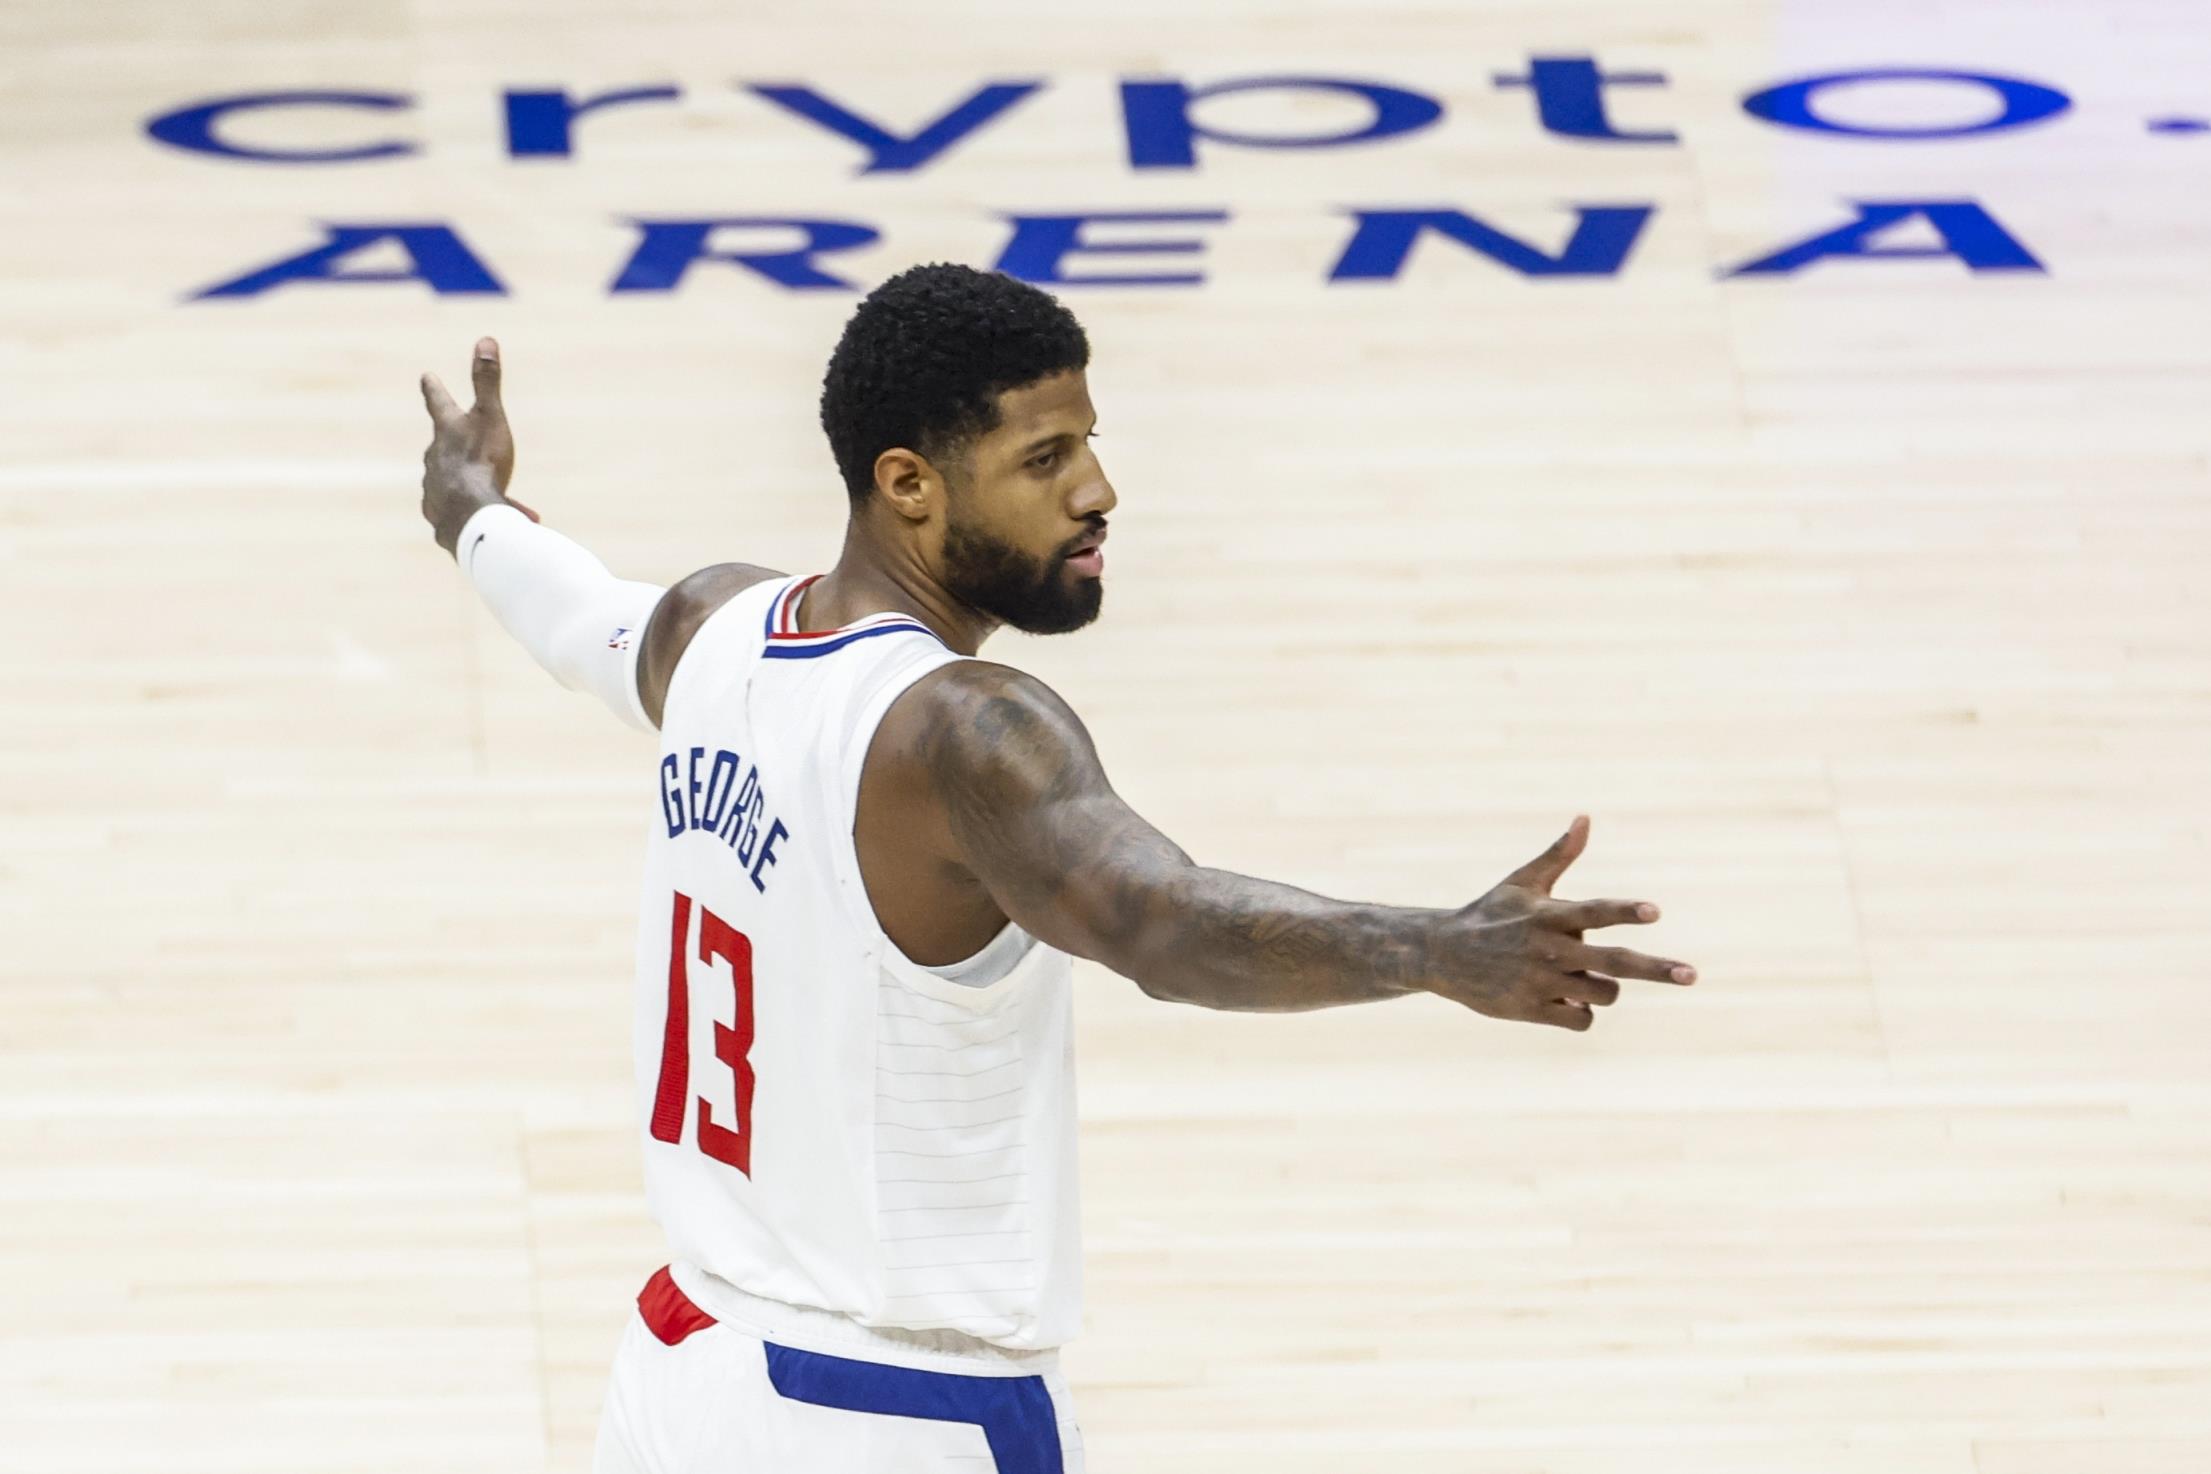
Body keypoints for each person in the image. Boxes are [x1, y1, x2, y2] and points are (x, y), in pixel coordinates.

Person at [416, 263, 1698, 1474]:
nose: (1098, 490)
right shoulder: (964, 730)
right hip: (894, 1413)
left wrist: (472, 508)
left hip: (681, 1370)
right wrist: (1433, 950)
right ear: (909, 483)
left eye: (1088, 442)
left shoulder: (716, 628)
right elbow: (1160, 921)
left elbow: (572, 611)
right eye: (1045, 459)